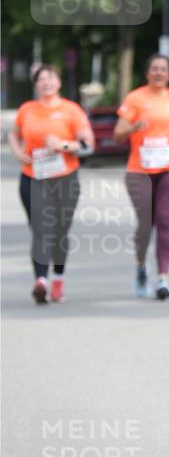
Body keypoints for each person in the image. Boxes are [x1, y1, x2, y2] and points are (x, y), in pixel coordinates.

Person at [8, 63, 94, 304]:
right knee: (40, 229)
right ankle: (41, 281)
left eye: (51, 78)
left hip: (65, 178)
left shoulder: (72, 110)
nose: (46, 83)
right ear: (36, 84)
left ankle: (57, 279)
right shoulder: (27, 109)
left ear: (58, 82)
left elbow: (88, 145)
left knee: (59, 232)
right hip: (33, 177)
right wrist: (17, 151)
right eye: (41, 79)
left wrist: (63, 145)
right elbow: (13, 134)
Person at [113, 54, 169, 300]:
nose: (159, 73)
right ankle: (141, 267)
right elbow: (117, 135)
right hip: (140, 171)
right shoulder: (135, 98)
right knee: (146, 224)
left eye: (164, 69)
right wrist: (133, 128)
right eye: (154, 69)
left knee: (165, 220)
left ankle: (163, 279)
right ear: (147, 73)